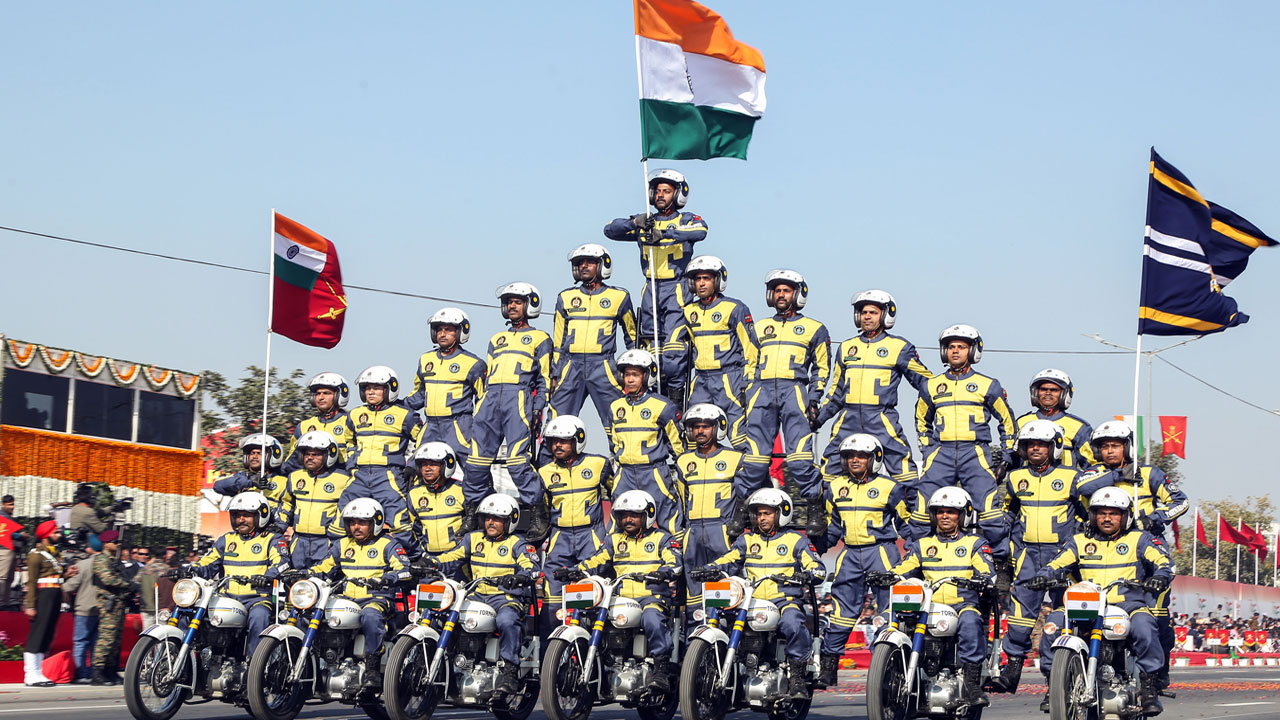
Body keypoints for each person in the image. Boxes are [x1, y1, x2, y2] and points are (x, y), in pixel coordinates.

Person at [1030, 487, 1172, 716]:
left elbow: (1164, 562)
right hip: (1086, 603)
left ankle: (1148, 687)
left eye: (1114, 513)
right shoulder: (1078, 541)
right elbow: (1057, 563)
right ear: (1093, 515)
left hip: (1128, 603)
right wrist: (1044, 574)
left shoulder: (1141, 539)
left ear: (1125, 516)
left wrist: (1160, 576)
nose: (1107, 518)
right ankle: (1053, 685)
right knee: (1052, 625)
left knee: (1145, 626)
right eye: (1101, 512)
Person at [1078, 420, 1189, 693]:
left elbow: (1181, 501)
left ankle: (1156, 677)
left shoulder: (1149, 473)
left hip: (1147, 551)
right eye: (1104, 447)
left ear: (1126, 447)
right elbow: (1080, 490)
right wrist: (1118, 477)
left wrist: (1156, 517)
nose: (1110, 451)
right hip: (1105, 552)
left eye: (1115, 445)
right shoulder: (1090, 474)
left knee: (1156, 618)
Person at [695, 488, 827, 702]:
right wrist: (710, 567)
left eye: (767, 513)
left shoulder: (796, 540)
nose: (762, 518)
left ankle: (796, 678)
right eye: (759, 514)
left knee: (793, 624)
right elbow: (730, 558)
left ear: (781, 513)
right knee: (723, 619)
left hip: (785, 599)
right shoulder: (747, 540)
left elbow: (814, 563)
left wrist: (812, 573)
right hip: (751, 599)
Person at [989, 420, 1090, 695]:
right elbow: (1007, 512)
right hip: (1027, 555)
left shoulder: (1073, 476)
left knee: (1065, 619)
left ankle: (1056, 683)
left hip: (1065, 556)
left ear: (1054, 447)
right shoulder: (1014, 478)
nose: (1035, 449)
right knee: (1020, 619)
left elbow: (1087, 513)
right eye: (1029, 444)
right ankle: (1011, 674)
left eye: (1041, 444)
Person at [877, 488, 996, 709]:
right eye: (940, 511)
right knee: (887, 620)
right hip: (927, 605)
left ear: (962, 515)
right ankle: (890, 672)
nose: (944, 516)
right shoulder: (922, 545)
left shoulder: (976, 543)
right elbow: (906, 566)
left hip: (962, 604)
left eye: (951, 511)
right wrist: (890, 575)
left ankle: (971, 684)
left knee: (970, 622)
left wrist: (984, 579)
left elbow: (987, 570)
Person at [556, 490, 683, 694]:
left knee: (652, 619)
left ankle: (661, 668)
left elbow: (675, 564)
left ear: (647, 515)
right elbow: (595, 560)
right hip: (620, 598)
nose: (628, 519)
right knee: (593, 617)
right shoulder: (613, 540)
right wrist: (576, 570)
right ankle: (601, 665)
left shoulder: (663, 538)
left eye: (633, 514)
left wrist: (663, 572)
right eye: (623, 515)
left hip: (652, 597)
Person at [738, 270, 831, 539]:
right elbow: (749, 362)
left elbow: (821, 367)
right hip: (762, 392)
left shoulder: (815, 328)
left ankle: (815, 508)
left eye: (786, 290)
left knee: (800, 459)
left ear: (798, 294)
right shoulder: (759, 327)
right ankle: (741, 510)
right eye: (777, 290)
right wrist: (748, 392)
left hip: (795, 391)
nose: (781, 295)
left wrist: (815, 397)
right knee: (754, 460)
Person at [912, 324, 1015, 558]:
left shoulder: (989, 385)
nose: (955, 351)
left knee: (990, 514)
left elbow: (1007, 421)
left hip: (975, 453)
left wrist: (1007, 458)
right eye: (950, 347)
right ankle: (918, 561)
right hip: (942, 453)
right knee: (921, 511)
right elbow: (921, 420)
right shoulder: (930, 385)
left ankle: (997, 565)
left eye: (961, 347)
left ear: (973, 351)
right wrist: (929, 450)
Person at [817, 434, 911, 687]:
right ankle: (828, 667)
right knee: (839, 614)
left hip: (881, 552)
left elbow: (906, 523)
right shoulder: (834, 486)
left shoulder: (890, 487)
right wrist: (816, 546)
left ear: (875, 458)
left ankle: (891, 662)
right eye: (849, 456)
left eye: (860, 456)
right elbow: (833, 526)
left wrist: (915, 551)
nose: (854, 460)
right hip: (849, 554)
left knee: (893, 609)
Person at [462, 282, 553, 542]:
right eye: (509, 301)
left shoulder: (541, 338)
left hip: (519, 398)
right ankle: (473, 510)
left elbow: (545, 377)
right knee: (476, 461)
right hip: (490, 400)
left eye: (517, 301)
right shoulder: (495, 339)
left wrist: (538, 408)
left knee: (517, 461)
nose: (512, 306)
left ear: (530, 304)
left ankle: (537, 512)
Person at [814, 290, 932, 484]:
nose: (867, 316)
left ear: (885, 315)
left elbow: (927, 383)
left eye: (873, 312)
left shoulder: (899, 346)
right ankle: (825, 513)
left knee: (904, 471)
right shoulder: (846, 347)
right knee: (829, 471)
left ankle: (910, 512)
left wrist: (948, 399)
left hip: (881, 418)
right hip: (847, 419)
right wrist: (817, 419)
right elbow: (836, 392)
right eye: (863, 312)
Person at [433, 493, 539, 700]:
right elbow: (452, 556)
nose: (491, 522)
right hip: (475, 595)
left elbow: (531, 566)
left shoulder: (518, 543)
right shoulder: (472, 539)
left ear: (510, 520)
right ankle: (446, 666)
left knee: (507, 620)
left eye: (497, 518)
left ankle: (509, 670)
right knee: (443, 617)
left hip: (505, 598)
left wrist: (520, 576)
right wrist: (433, 563)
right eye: (487, 518)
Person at [307, 498, 412, 690]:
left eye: (362, 523)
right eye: (352, 522)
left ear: (375, 523)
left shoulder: (388, 544)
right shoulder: (341, 544)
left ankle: (372, 667)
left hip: (376, 599)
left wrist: (388, 578)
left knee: (370, 616)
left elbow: (404, 569)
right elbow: (324, 566)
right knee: (311, 612)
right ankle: (315, 661)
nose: (356, 527)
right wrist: (307, 574)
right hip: (347, 598)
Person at [603, 168, 708, 351]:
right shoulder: (646, 221)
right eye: (657, 191)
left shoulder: (686, 219)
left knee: (674, 343)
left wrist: (665, 234)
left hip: (676, 287)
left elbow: (701, 230)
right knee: (650, 344)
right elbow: (610, 230)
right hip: (650, 287)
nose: (660, 195)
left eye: (666, 191)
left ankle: (674, 377)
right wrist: (635, 223)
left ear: (677, 194)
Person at [547, 244, 638, 444]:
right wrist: (554, 374)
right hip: (570, 367)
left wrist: (635, 369)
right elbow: (558, 340)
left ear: (602, 265)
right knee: (557, 422)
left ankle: (622, 468)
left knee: (618, 420)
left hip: (604, 367)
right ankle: (550, 471)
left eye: (589, 262)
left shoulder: (619, 297)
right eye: (580, 263)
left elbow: (632, 336)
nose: (584, 266)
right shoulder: (566, 297)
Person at [661, 255, 758, 431]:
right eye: (697, 279)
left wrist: (748, 383)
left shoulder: (735, 308)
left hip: (729, 378)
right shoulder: (689, 311)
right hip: (700, 381)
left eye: (707, 278)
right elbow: (674, 340)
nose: (702, 283)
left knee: (738, 434)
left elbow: (751, 349)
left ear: (718, 280)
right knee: (694, 431)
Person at [536, 415, 612, 635]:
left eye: (564, 440)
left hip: (592, 536)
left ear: (578, 440)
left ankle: (596, 655)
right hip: (560, 539)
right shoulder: (544, 472)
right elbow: (543, 510)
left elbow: (617, 496)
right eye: (553, 441)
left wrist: (612, 533)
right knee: (552, 599)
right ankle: (548, 654)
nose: (557, 445)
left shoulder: (598, 464)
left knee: (595, 595)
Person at [188, 492, 290, 655]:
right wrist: (191, 570)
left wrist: (268, 576)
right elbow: (208, 562)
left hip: (257, 599)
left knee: (259, 617)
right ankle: (189, 661)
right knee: (191, 612)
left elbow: (282, 562)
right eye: (236, 515)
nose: (240, 519)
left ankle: (253, 666)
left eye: (246, 515)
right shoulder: (226, 539)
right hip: (226, 597)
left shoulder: (272, 539)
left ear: (260, 516)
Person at [339, 365, 423, 558]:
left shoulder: (405, 414)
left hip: (388, 476)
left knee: (401, 523)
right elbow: (348, 440)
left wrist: (411, 465)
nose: (370, 392)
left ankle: (416, 560)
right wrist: (352, 464)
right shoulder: (354, 415)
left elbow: (424, 440)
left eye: (376, 388)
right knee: (341, 520)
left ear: (389, 389)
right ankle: (342, 561)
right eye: (367, 388)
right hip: (358, 476)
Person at [674, 403, 747, 619]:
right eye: (695, 426)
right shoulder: (683, 461)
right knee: (694, 593)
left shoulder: (735, 458)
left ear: (718, 428)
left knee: (726, 587)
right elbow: (680, 501)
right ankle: (695, 643)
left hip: (722, 532)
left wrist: (737, 526)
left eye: (706, 426)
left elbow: (746, 497)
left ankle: (729, 641)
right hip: (693, 533)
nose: (700, 431)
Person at [608, 349, 685, 535]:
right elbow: (614, 444)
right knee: (617, 524)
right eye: (627, 375)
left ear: (648, 375)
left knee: (671, 522)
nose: (630, 380)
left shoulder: (663, 406)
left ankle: (675, 561)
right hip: (625, 474)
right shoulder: (615, 407)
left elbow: (678, 446)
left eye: (635, 374)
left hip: (654, 473)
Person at [403, 308, 486, 474]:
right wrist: (395, 404)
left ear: (461, 331)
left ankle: (482, 500)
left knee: (475, 469)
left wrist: (480, 428)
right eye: (439, 329)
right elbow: (419, 394)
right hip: (430, 425)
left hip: (459, 426)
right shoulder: (426, 359)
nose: (442, 334)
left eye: (448, 330)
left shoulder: (474, 363)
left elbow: (484, 399)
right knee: (414, 468)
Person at [279, 431, 352, 567]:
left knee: (323, 582)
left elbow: (347, 510)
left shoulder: (344, 479)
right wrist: (279, 525)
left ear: (328, 455)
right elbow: (287, 504)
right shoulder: (294, 477)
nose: (310, 458)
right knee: (295, 582)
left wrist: (336, 533)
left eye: (315, 454)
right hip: (299, 541)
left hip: (327, 542)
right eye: (307, 454)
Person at [1014, 369, 1095, 470]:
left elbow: (1092, 464)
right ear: (1036, 393)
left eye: (1054, 390)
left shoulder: (1078, 426)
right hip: (1029, 482)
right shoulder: (1021, 423)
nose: (1048, 393)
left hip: (1065, 483)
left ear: (1064, 394)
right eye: (1043, 389)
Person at [25, 520, 73, 687]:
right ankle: (30, 673)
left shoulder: (54, 554)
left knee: (47, 633)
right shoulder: (36, 555)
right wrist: (30, 606)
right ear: (46, 535)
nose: (59, 535)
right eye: (55, 533)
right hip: (42, 596)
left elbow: (56, 578)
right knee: (38, 633)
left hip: (54, 596)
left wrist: (67, 574)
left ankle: (39, 672)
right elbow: (31, 582)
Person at [282, 373, 357, 473]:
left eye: (326, 393)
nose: (321, 397)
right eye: (317, 394)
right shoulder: (304, 426)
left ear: (339, 395)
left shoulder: (351, 422)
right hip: (312, 483)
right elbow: (292, 462)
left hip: (343, 482)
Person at [406, 441, 467, 558]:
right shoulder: (414, 494)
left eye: (433, 464)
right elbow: (414, 528)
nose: (427, 469)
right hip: (429, 558)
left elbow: (471, 525)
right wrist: (422, 552)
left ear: (446, 465)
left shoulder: (461, 490)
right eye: (424, 464)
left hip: (457, 559)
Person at [91, 529, 136, 686]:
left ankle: (110, 670)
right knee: (106, 639)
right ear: (106, 543)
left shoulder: (113, 560)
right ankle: (97, 672)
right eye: (115, 542)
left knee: (116, 640)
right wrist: (128, 584)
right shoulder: (101, 560)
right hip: (108, 605)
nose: (118, 545)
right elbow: (108, 579)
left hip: (118, 603)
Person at [213, 434, 288, 526]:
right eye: (252, 453)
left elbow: (288, 510)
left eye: (259, 453)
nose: (254, 456)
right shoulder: (242, 478)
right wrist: (250, 481)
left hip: (269, 533)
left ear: (272, 456)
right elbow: (218, 485)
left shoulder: (282, 482)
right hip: (244, 532)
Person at [61, 538, 100, 683]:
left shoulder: (82, 565)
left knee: (80, 641)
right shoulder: (109, 563)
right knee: (96, 642)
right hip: (103, 609)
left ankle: (81, 672)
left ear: (90, 549)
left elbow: (69, 587)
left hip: (84, 607)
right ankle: (95, 672)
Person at [0, 494, 26, 610]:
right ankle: (1, 602)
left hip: (10, 550)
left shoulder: (7, 517)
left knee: (9, 578)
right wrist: (20, 535)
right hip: (4, 550)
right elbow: (6, 533)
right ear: (3, 505)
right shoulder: (2, 516)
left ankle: (5, 603)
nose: (12, 507)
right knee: (3, 578)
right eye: (10, 504)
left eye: (13, 504)